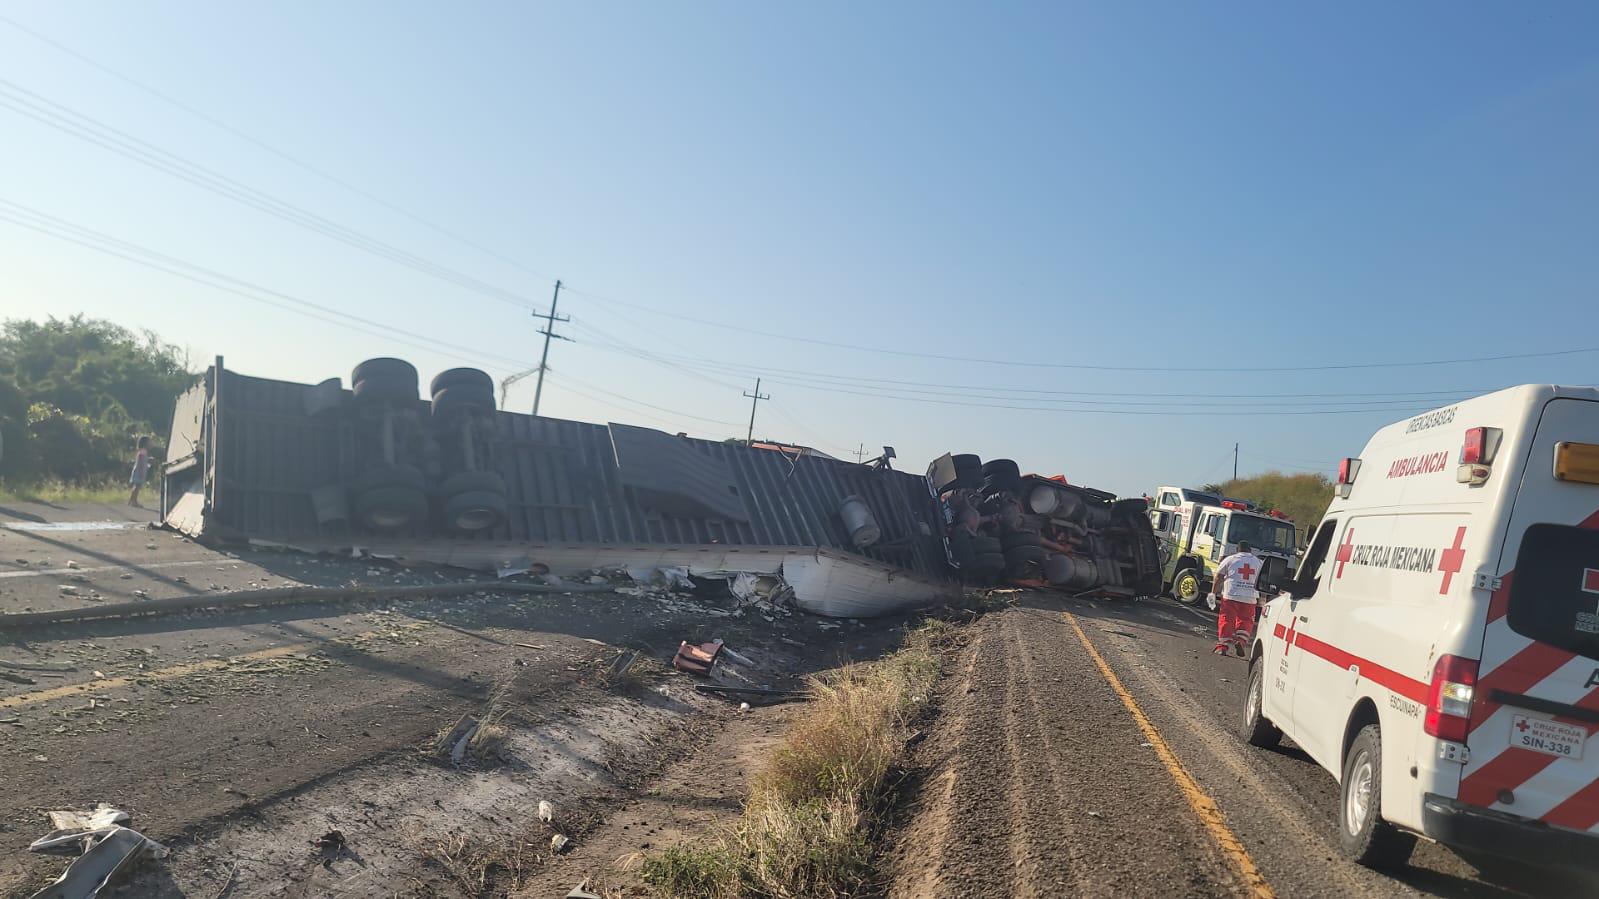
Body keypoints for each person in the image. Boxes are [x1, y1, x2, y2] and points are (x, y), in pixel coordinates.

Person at [1209, 540, 1263, 656]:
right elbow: (1263, 580)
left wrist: (1212, 593)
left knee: (1226, 619)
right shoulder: (1258, 562)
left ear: (1237, 550)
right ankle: (1241, 641)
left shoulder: (1230, 559)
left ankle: (1222, 647)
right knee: (1246, 620)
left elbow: (1219, 576)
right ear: (1250, 551)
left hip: (1231, 595)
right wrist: (1262, 598)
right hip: (1250, 597)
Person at [128, 436, 151, 508]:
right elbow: (140, 462)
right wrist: (141, 472)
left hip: (139, 470)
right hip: (139, 471)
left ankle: (131, 500)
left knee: (136, 486)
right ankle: (134, 501)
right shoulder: (143, 451)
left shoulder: (142, 451)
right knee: (137, 486)